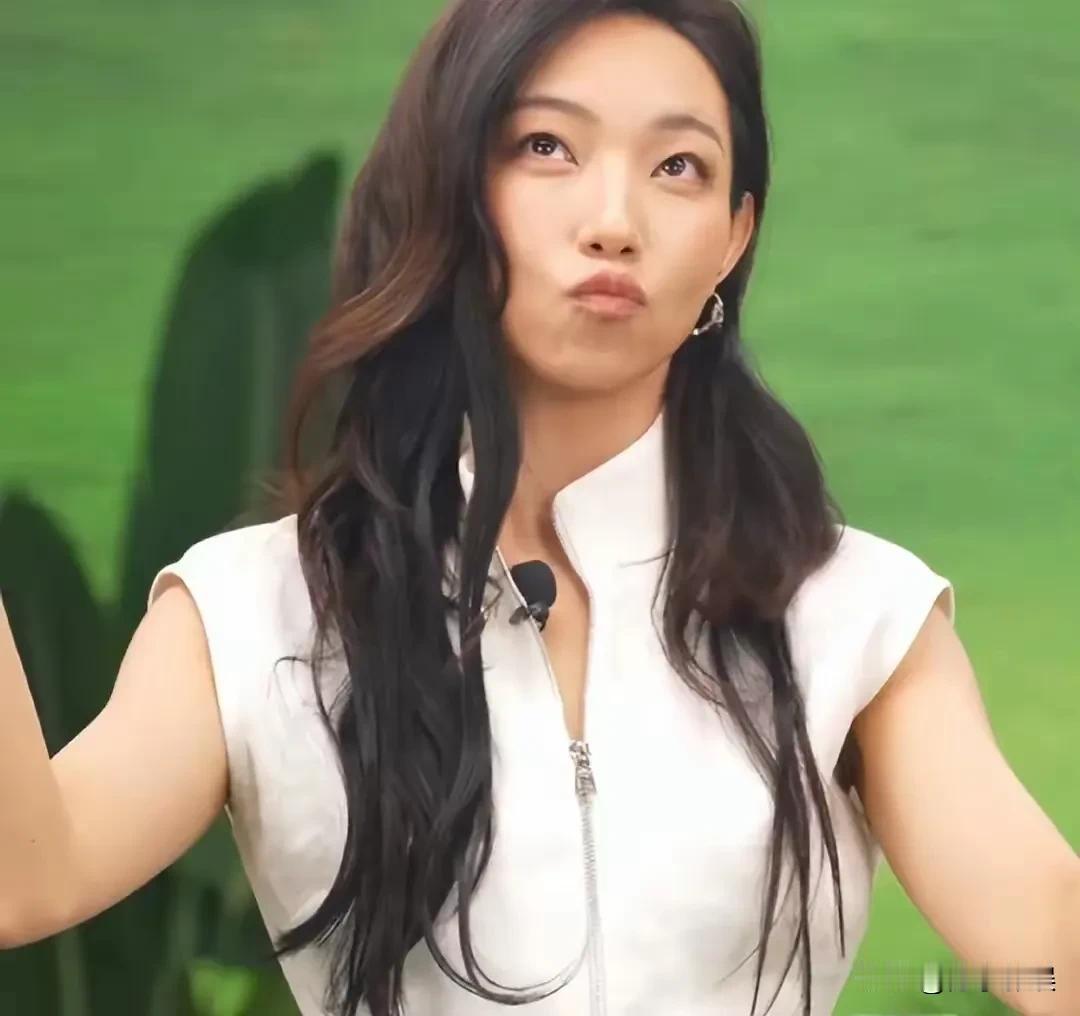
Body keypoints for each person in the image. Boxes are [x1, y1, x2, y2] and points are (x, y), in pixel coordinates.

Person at [2, 1, 1077, 1014]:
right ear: (454, 194)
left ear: (733, 236)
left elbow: (1051, 957)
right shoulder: (256, 608)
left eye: (678, 166)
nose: (614, 221)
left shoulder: (852, 614)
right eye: (548, 147)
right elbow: (25, 878)